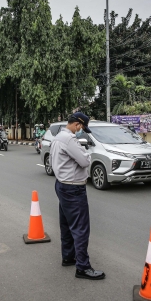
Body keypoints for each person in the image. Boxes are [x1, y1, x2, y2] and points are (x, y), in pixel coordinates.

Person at [50, 112, 105, 280]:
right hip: (73, 189)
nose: (81, 131)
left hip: (62, 185)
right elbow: (85, 161)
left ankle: (68, 257)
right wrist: (86, 153)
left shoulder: (58, 137)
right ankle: (82, 267)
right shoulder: (70, 140)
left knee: (66, 224)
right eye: (82, 128)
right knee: (80, 228)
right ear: (78, 125)